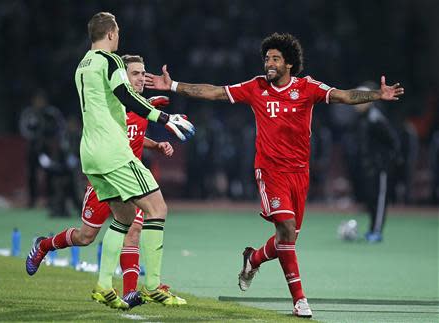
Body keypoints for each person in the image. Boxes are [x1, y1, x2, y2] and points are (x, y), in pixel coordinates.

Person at [145, 32, 404, 318]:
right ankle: (300, 300)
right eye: (267, 58)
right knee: (287, 231)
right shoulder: (256, 87)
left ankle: (253, 259)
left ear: (289, 64)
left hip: (299, 173)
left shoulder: (307, 88)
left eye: (275, 58)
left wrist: (377, 95)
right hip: (269, 171)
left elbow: (344, 96)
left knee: (287, 238)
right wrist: (174, 85)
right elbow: (215, 91)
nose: (269, 63)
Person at [26, 12, 195, 310]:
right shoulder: (111, 61)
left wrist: (153, 121)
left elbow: (115, 103)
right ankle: (153, 285)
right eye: (118, 32)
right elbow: (125, 96)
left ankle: (105, 286)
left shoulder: (83, 65)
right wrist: (165, 118)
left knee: (126, 218)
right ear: (112, 33)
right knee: (157, 208)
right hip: (114, 153)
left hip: (90, 154)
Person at [92, 54, 186, 307]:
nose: (142, 78)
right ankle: (152, 286)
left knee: (127, 224)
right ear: (122, 76)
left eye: (143, 74)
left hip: (108, 166)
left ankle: (113, 287)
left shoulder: (131, 103)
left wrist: (155, 143)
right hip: (119, 166)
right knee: (85, 235)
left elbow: (134, 128)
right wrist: (162, 115)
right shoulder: (118, 101)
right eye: (135, 73)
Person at [353, 83, 402, 242]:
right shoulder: (364, 119)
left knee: (380, 200)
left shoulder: (376, 119)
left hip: (380, 168)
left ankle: (377, 231)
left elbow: (393, 141)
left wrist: (385, 162)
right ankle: (372, 229)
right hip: (369, 167)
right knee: (371, 199)